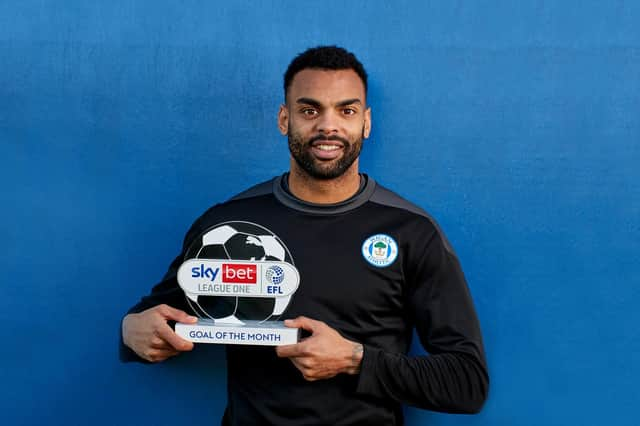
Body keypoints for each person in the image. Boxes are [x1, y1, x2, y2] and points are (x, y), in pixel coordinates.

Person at [121, 46, 489, 425]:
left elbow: (466, 383)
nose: (328, 127)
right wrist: (129, 332)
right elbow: (153, 318)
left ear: (366, 122)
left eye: (345, 111)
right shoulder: (228, 224)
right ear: (285, 119)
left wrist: (354, 360)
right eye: (309, 110)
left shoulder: (410, 230)